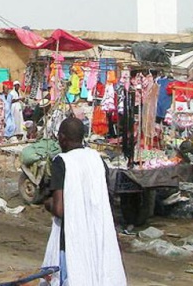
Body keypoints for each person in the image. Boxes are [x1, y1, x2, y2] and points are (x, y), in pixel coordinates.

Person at [42, 117, 126, 285]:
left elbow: (60, 210)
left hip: (73, 239)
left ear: (63, 138)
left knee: (73, 276)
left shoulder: (62, 162)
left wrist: (47, 203)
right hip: (97, 234)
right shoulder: (97, 159)